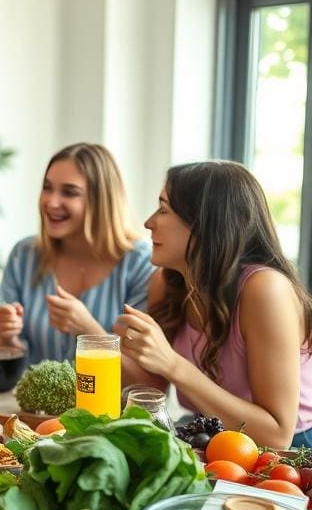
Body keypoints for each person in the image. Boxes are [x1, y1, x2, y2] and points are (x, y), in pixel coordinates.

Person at [115, 161, 312, 450]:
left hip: (293, 453)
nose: (148, 222)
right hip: (209, 436)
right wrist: (108, 346)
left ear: (204, 223)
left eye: (163, 209)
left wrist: (172, 363)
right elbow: (152, 385)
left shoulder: (265, 290)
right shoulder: (167, 283)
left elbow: (277, 435)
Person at [0, 143, 154, 364]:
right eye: (47, 187)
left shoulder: (140, 262)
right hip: (31, 400)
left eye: (69, 192)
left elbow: (145, 380)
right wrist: (5, 336)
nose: (51, 201)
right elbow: (3, 361)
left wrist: (88, 330)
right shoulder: (24, 255)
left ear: (101, 200)